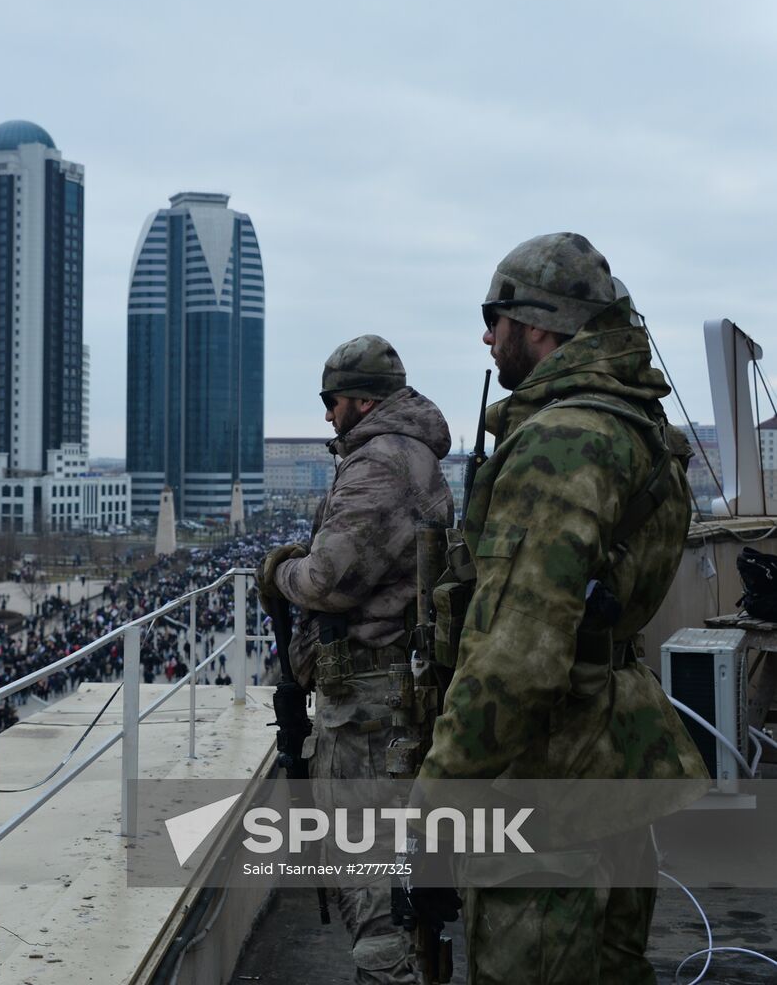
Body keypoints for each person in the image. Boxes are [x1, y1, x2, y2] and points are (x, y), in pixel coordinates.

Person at [417, 233, 708, 983]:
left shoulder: (563, 440)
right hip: (607, 763)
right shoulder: (632, 423)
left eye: (496, 316)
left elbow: (520, 650)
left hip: (542, 780)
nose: (487, 335)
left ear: (540, 325)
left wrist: (436, 797)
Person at [255, 335, 452, 984]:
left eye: (330, 399)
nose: (326, 414)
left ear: (362, 399)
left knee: (370, 887)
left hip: (369, 697)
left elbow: (324, 581)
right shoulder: (409, 456)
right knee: (402, 884)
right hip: (398, 687)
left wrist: (280, 573)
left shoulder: (377, 467)